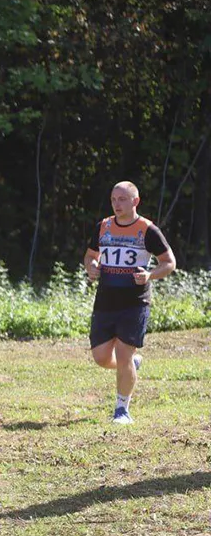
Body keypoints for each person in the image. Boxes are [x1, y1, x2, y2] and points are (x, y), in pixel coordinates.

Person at [83, 181, 176, 424]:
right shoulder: (103, 226)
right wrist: (92, 267)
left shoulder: (147, 229)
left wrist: (150, 275)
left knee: (123, 355)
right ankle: (132, 366)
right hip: (105, 301)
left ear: (135, 201)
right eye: (114, 199)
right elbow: (91, 256)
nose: (117, 204)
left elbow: (169, 262)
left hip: (134, 302)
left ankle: (122, 409)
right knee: (102, 358)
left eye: (122, 199)